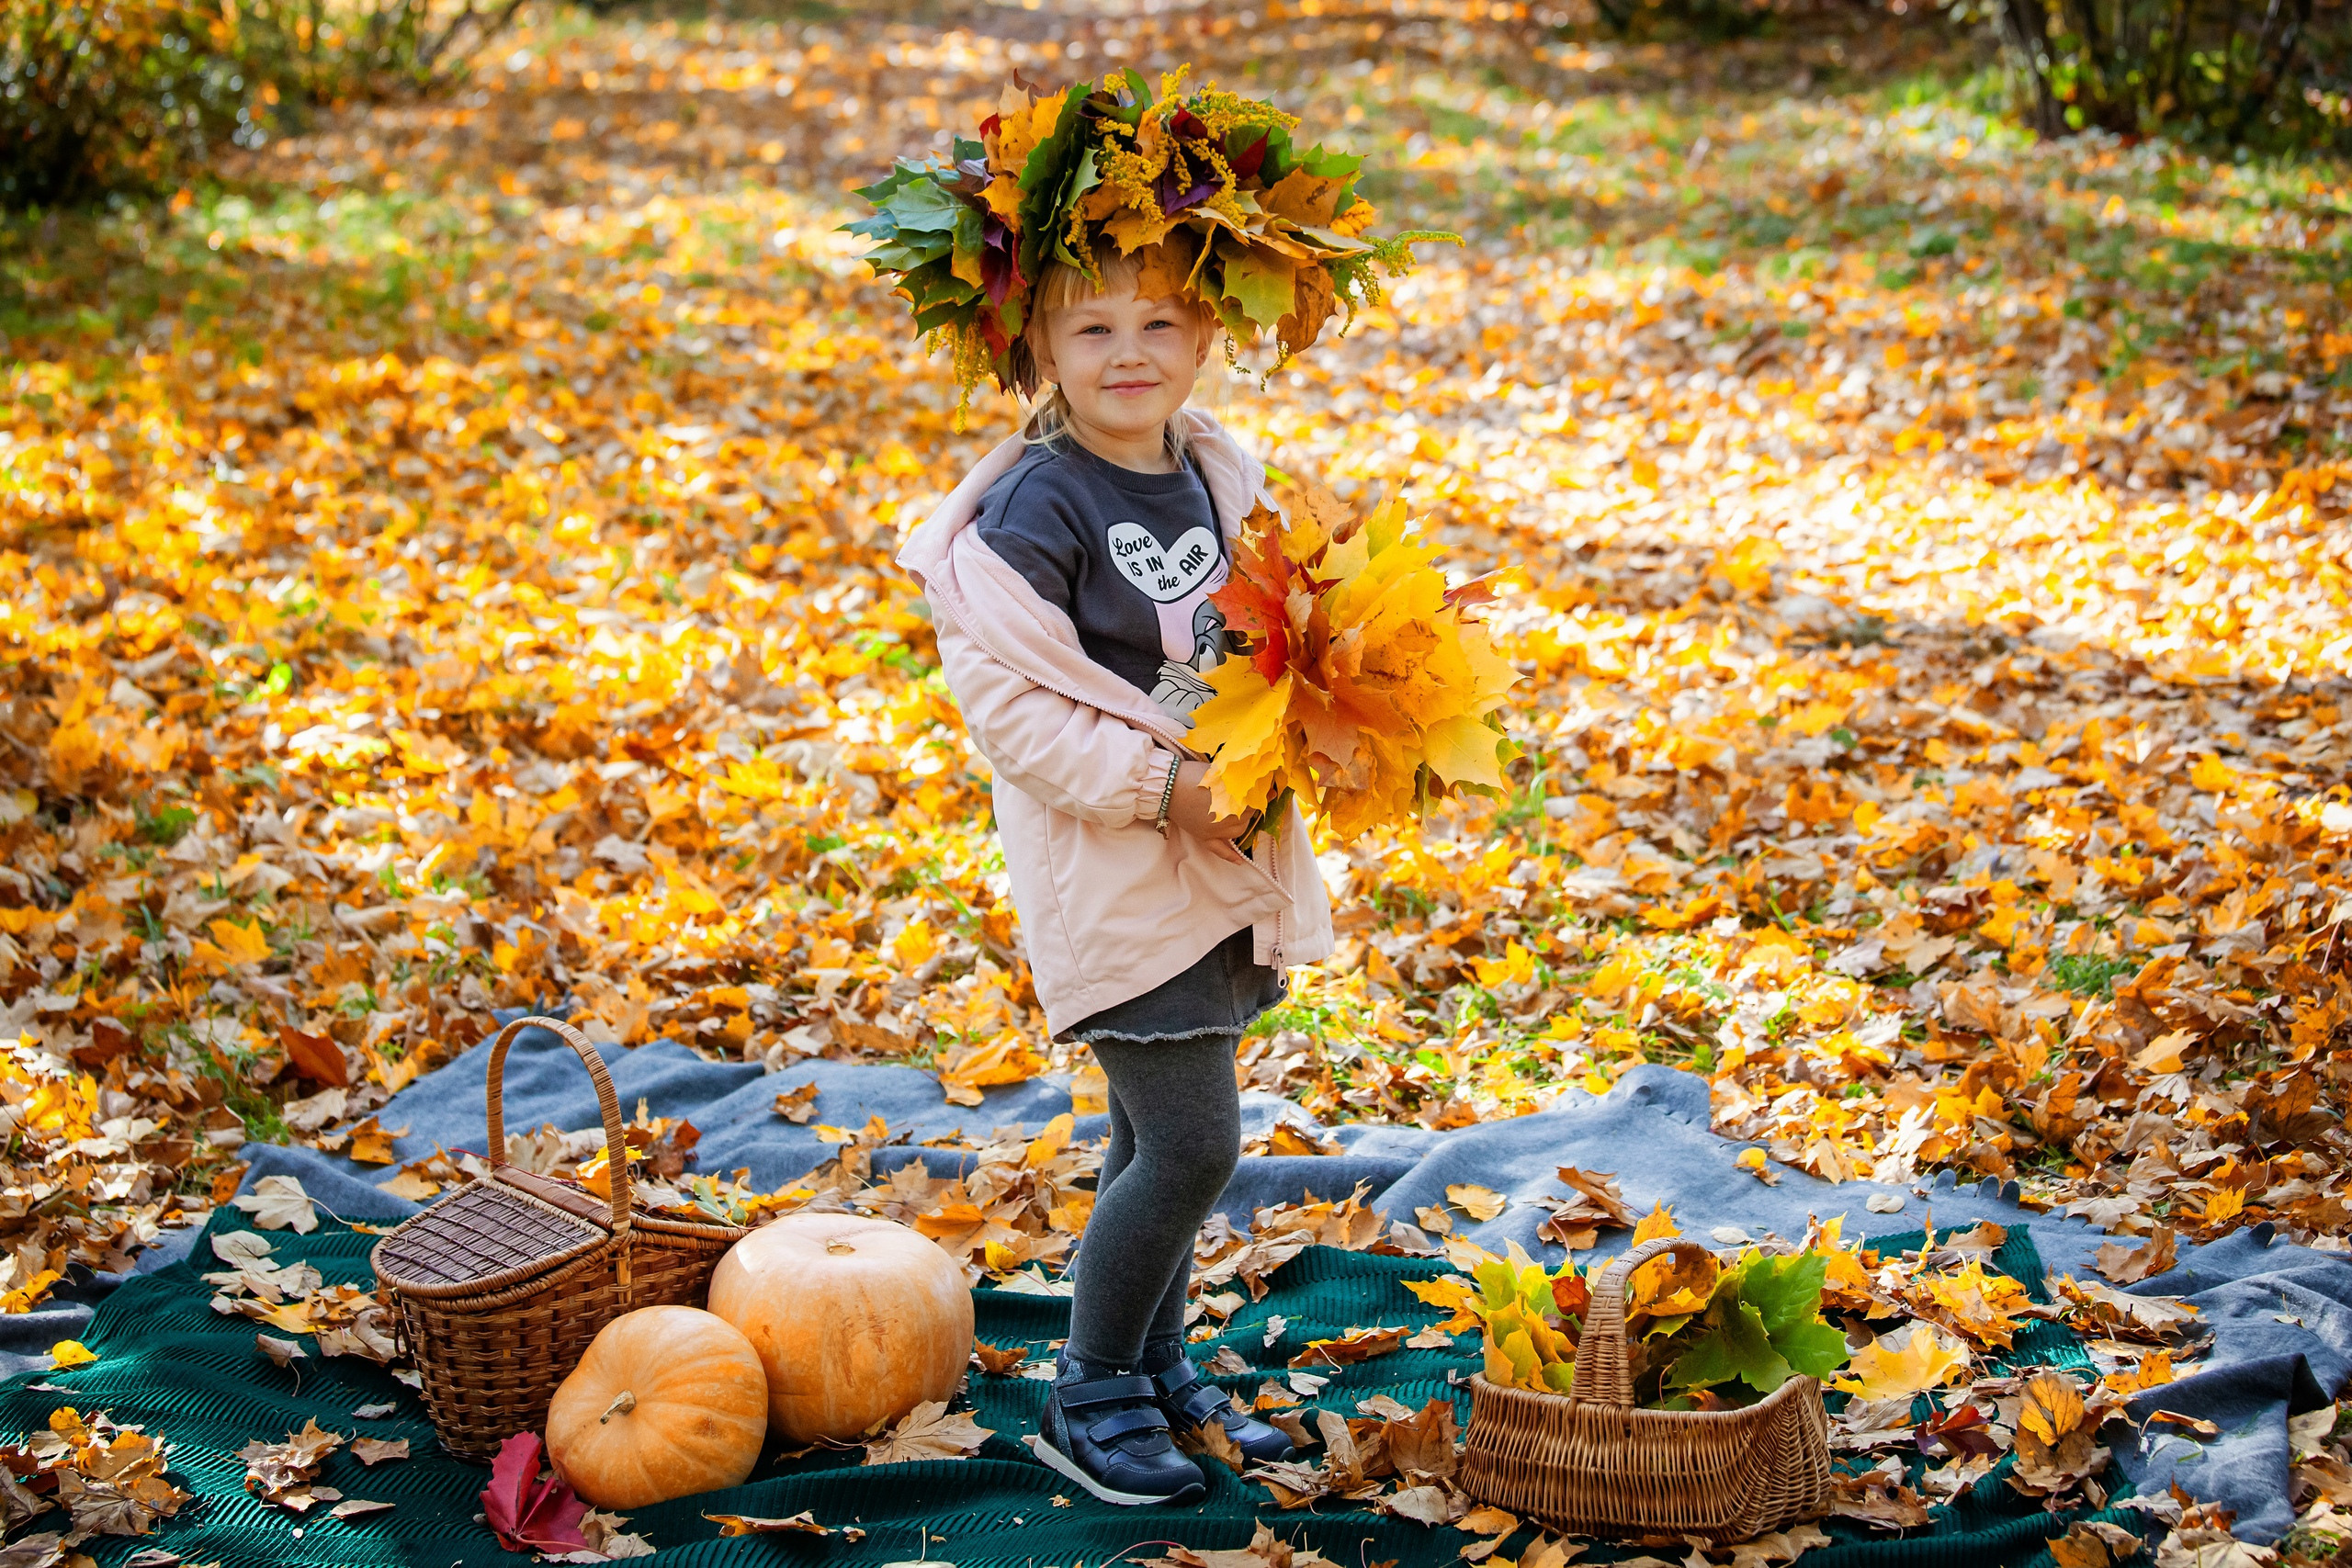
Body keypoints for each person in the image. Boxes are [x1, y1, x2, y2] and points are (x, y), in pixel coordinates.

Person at [895, 248, 1335, 1505]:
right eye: (1091, 328)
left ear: (1204, 341)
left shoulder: (1209, 476)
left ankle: (1151, 1365)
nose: (1128, 351)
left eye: (1160, 322)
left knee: (1154, 1133)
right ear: (1036, 348)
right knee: (1195, 1146)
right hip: (1117, 861)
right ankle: (1087, 1394)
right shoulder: (1042, 507)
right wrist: (1161, 791)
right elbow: (1010, 707)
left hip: (1213, 847)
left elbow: (1246, 631)